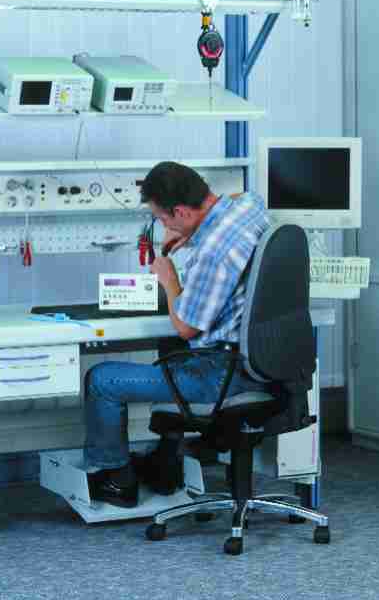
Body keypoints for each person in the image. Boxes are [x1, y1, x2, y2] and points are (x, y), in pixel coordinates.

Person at [83, 161, 272, 507]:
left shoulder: (213, 252)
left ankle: (117, 480)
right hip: (262, 365)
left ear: (182, 211)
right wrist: (190, 231)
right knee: (168, 348)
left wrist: (169, 278)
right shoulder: (249, 207)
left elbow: (186, 326)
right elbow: (237, 197)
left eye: (164, 219)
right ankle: (165, 463)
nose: (164, 226)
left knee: (101, 380)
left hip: (220, 377)